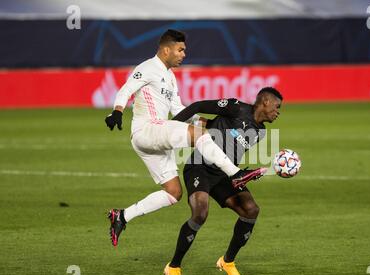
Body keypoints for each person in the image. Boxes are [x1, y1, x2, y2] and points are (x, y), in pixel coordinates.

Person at [104, 29, 265, 247]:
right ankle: (236, 174)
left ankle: (122, 216)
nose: (183, 54)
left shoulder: (170, 77)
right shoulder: (147, 68)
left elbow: (178, 108)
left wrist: (205, 122)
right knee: (198, 136)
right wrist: (117, 111)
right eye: (180, 50)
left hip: (155, 138)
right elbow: (126, 89)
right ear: (166, 49)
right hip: (147, 130)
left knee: (173, 193)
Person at [163, 87, 283, 275]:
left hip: (224, 174)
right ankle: (174, 266)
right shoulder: (236, 107)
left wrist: (244, 174)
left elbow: (223, 139)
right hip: (199, 166)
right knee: (200, 213)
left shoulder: (260, 132)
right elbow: (199, 106)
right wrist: (170, 125)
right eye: (277, 107)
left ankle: (227, 262)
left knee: (251, 210)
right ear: (265, 102)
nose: (278, 112)